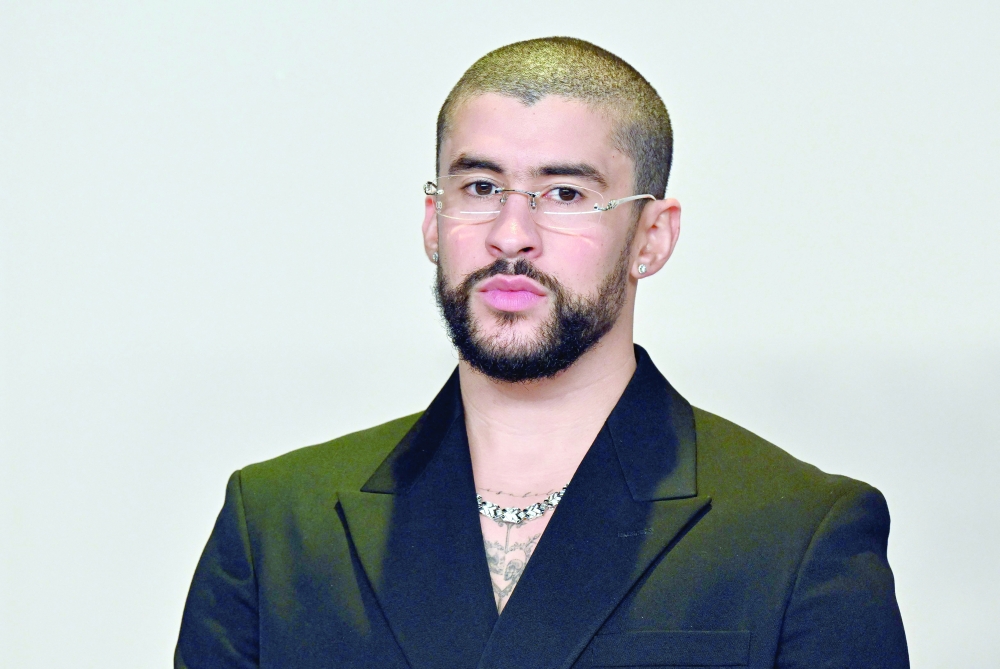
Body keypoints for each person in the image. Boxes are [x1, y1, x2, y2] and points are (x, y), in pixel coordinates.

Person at [175, 37, 908, 669]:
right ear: (434, 221)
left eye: (563, 194)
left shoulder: (797, 533)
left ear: (652, 236)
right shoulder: (277, 525)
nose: (511, 234)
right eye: (481, 185)